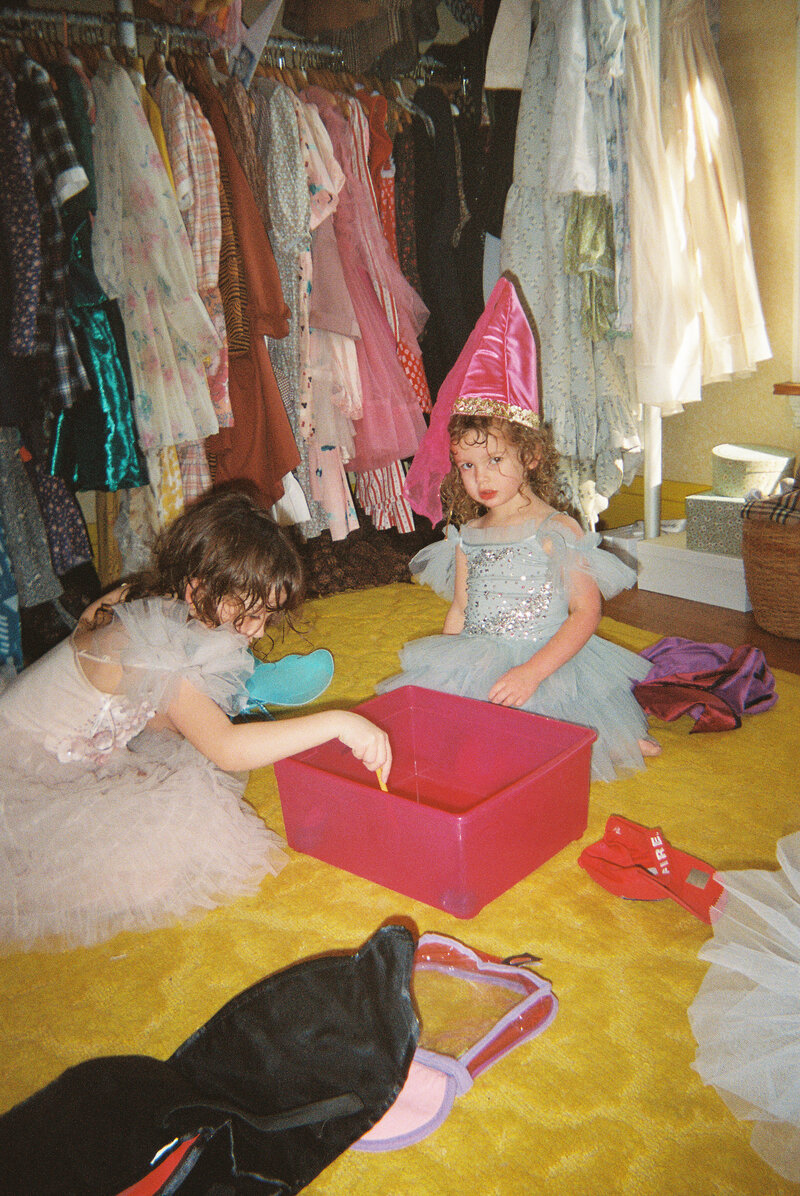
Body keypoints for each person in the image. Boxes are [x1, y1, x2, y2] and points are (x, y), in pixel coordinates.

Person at [0, 490, 391, 952]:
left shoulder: (152, 600)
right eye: (251, 614)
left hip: (85, 746)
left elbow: (158, 712)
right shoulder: (147, 640)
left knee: (177, 805)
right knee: (160, 865)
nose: (260, 631)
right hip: (21, 771)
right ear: (198, 588)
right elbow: (225, 749)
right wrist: (340, 723)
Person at [379, 275, 658, 781]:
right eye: (465, 465)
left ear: (530, 455)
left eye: (493, 459)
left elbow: (585, 611)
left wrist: (532, 672)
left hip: (546, 662)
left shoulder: (556, 528)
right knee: (456, 742)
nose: (479, 477)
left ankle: (605, 731)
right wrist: (443, 674)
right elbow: (462, 609)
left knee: (564, 745)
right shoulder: (467, 534)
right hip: (480, 658)